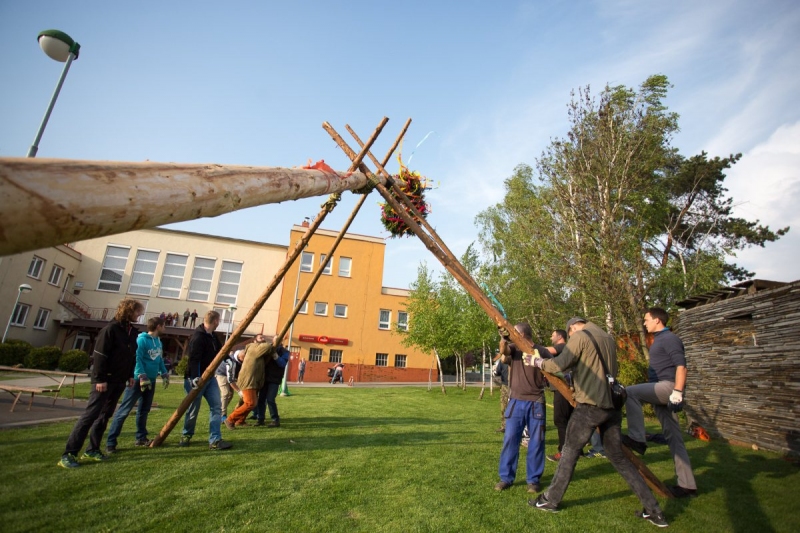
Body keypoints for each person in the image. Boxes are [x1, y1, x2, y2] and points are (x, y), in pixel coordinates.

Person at [530, 317, 668, 528]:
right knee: (619, 459)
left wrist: (536, 362)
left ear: (572, 328)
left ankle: (550, 499)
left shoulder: (579, 337)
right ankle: (654, 511)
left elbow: (560, 363)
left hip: (590, 406)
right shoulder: (607, 338)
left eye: (570, 333)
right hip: (611, 406)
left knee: (569, 452)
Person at [623, 307, 698, 498]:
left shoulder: (670, 339)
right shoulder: (659, 340)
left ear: (657, 320)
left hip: (668, 387)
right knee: (674, 438)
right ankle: (687, 485)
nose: (645, 323)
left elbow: (682, 366)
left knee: (630, 393)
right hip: (661, 388)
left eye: (646, 319)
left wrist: (678, 392)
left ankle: (637, 439)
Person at [58, 299, 143, 468]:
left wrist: (129, 375)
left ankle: (92, 449)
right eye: (137, 312)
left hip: (119, 380)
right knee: (90, 416)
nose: (140, 315)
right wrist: (99, 379)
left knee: (105, 416)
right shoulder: (110, 330)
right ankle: (69, 454)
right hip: (104, 381)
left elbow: (130, 355)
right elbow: (100, 356)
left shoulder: (131, 332)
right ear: (128, 311)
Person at [494, 322, 549, 494]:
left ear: (523, 334)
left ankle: (533, 480)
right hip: (516, 402)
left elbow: (552, 370)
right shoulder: (514, 349)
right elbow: (504, 353)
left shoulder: (543, 351)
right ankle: (506, 478)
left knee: (537, 441)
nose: (513, 337)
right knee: (510, 439)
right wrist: (503, 337)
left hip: (536, 401)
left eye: (515, 333)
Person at [106, 316, 169, 452]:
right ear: (158, 326)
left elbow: (159, 359)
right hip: (137, 381)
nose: (165, 328)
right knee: (124, 411)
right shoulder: (141, 340)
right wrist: (142, 375)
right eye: (164, 325)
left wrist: (164, 373)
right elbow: (137, 358)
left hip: (151, 381)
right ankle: (111, 442)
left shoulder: (158, 341)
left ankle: (141, 438)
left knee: (144, 410)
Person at [180, 311, 232, 450]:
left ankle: (215, 440)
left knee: (216, 407)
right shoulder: (198, 337)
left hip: (210, 379)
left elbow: (221, 351)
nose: (219, 322)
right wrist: (195, 377)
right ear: (215, 321)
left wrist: (228, 360)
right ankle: (186, 435)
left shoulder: (213, 337)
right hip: (196, 379)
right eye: (219, 320)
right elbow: (194, 359)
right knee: (193, 409)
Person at [225, 335, 275, 429]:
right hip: (248, 380)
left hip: (253, 381)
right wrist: (274, 341)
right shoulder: (253, 348)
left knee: (249, 403)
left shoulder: (257, 351)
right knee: (250, 403)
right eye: (260, 338)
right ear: (255, 340)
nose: (263, 339)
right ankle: (230, 419)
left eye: (263, 337)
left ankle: (240, 420)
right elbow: (268, 346)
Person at [544, 329, 570, 462]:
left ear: (560, 337)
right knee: (569, 420)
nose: (550, 337)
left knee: (560, 420)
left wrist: (531, 347)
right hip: (565, 388)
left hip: (562, 389)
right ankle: (576, 451)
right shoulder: (566, 348)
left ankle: (563, 452)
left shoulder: (562, 346)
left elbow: (547, 351)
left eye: (552, 335)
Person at [255, 338, 290, 427]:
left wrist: (275, 356)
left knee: (270, 399)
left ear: (282, 341)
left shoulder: (284, 351)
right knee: (261, 399)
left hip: (275, 379)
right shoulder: (267, 348)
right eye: (275, 339)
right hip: (265, 378)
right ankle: (260, 419)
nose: (276, 341)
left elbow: (282, 364)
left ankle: (275, 420)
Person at [216, 349, 244, 420]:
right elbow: (230, 380)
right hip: (221, 374)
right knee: (226, 393)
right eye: (243, 359)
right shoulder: (231, 362)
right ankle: (222, 415)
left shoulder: (241, 356)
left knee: (230, 395)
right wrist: (239, 391)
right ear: (240, 358)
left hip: (230, 375)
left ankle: (219, 411)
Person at [494, 355, 509, 433]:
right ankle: (504, 426)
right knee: (503, 406)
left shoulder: (517, 359)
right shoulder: (503, 360)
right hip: (505, 386)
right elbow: (498, 372)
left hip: (517, 386)